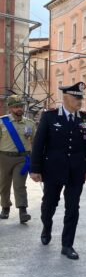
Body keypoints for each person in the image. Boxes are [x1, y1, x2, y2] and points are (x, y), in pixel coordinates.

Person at [30, 82, 86, 260]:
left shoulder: (85, 119)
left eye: (81, 98)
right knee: (49, 205)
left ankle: (67, 245)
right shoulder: (49, 117)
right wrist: (35, 169)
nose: (80, 101)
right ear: (66, 98)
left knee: (73, 208)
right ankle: (47, 226)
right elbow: (39, 144)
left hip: (76, 171)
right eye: (76, 97)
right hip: (53, 169)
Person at [0, 95, 36, 223]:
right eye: (16, 106)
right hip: (4, 158)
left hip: (22, 158)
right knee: (4, 185)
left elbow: (36, 142)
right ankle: (5, 207)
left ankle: (23, 211)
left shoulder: (29, 123)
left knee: (19, 184)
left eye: (21, 106)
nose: (19, 108)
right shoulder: (2, 122)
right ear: (10, 108)